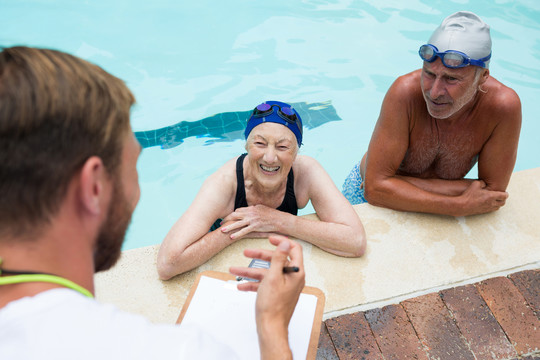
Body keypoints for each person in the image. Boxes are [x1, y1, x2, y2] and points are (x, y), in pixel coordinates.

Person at [0, 46, 305, 360]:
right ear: (93, 187)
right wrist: (271, 323)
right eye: (133, 166)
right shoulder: (170, 351)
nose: (136, 193)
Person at [157, 100, 367, 279]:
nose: (269, 157)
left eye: (283, 147)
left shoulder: (306, 171)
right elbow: (168, 264)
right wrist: (238, 230)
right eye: (260, 143)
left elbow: (355, 241)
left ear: (296, 153)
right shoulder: (224, 183)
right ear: (247, 146)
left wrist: (278, 221)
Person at [342, 11, 521, 217]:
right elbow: (373, 190)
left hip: (408, 197)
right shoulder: (404, 93)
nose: (434, 92)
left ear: (482, 77)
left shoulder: (503, 107)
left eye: (451, 79)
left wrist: (393, 185)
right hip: (364, 194)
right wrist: (457, 205)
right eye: (429, 73)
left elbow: (493, 193)